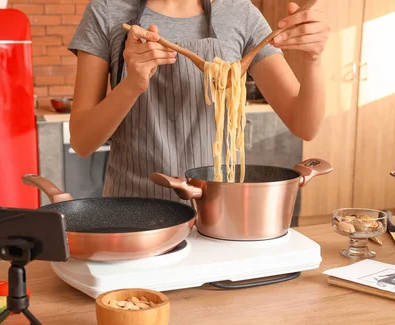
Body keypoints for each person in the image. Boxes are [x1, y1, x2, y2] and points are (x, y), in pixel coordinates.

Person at [67, 0, 330, 200]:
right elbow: (81, 141)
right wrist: (133, 83)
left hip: (219, 209)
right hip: (133, 213)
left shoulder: (240, 11)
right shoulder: (106, 11)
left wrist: (313, 60)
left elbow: (304, 125)